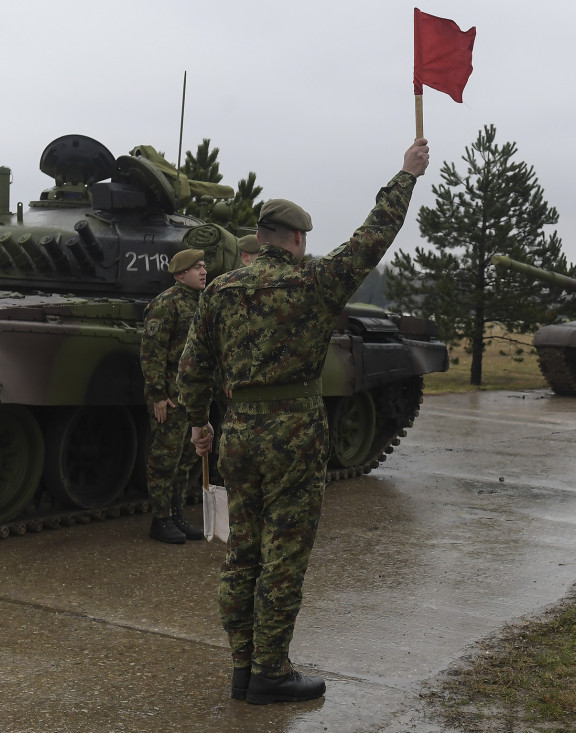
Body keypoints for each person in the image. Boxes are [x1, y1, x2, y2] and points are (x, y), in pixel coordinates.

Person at [177, 138, 430, 705]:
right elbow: (373, 237)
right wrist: (406, 176)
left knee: (243, 550)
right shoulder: (312, 283)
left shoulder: (219, 290)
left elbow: (194, 368)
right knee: (284, 552)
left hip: (238, 433)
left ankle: (243, 668)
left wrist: (199, 423)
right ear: (295, 240)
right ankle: (271, 671)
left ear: (258, 238)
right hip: (292, 434)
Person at [140, 249, 208, 544]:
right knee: (164, 459)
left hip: (192, 394)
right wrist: (157, 395)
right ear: (181, 274)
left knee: (185, 458)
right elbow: (151, 353)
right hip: (169, 395)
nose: (204, 271)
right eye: (197, 268)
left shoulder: (203, 302)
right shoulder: (166, 304)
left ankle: (177, 513)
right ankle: (161, 519)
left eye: (204, 266)